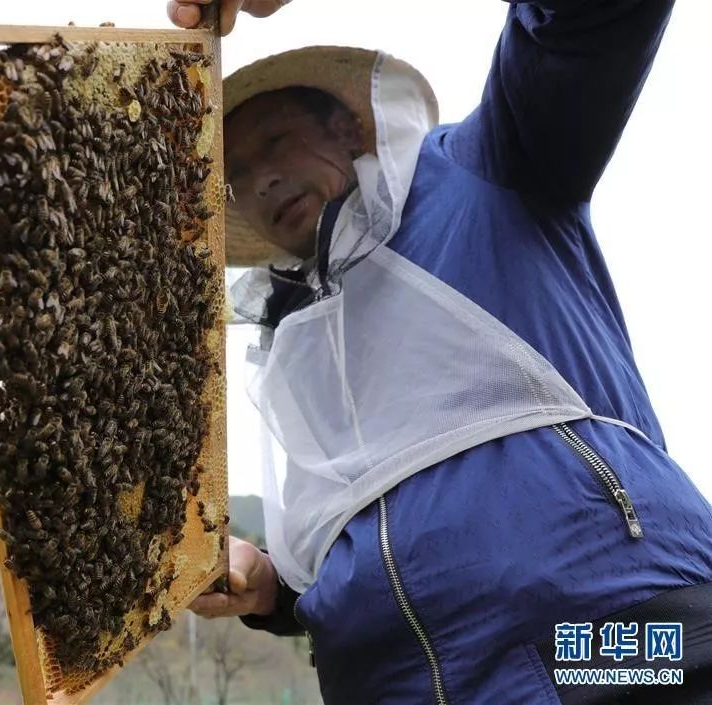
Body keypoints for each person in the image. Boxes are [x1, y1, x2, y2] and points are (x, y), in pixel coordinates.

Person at [168, 1, 712, 703]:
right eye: (237, 169)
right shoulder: (291, 334)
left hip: (606, 649)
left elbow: (584, 23)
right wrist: (271, 586)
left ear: (350, 128)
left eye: (276, 138)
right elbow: (367, 523)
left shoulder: (484, 172)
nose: (261, 176)